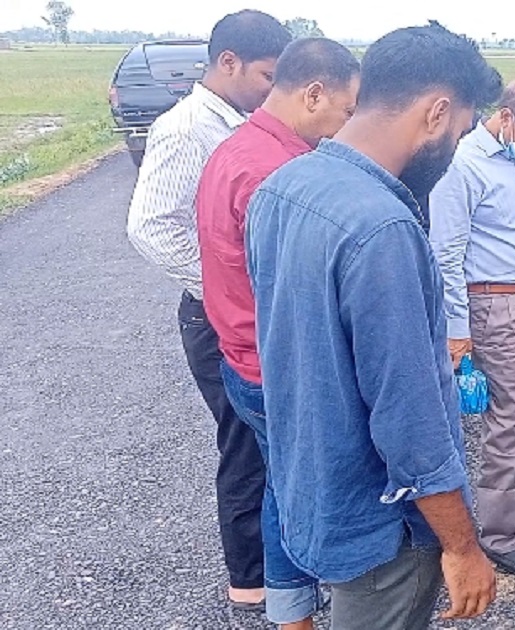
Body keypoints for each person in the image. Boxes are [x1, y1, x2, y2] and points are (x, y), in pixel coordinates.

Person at [243, 24, 503, 629]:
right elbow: (408, 419)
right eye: (462, 130)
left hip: (311, 483)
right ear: (437, 113)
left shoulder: (283, 187)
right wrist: (463, 547)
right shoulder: (382, 229)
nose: (455, 146)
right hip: (381, 523)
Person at [125, 9, 292, 612]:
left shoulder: (238, 120)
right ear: (228, 63)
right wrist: (220, 285)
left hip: (239, 307)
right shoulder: (187, 126)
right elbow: (150, 228)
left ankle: (276, 569)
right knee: (246, 444)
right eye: (267, 75)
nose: (273, 89)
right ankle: (249, 580)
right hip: (215, 314)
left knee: (267, 440)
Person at [195, 37, 361, 629]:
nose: (345, 125)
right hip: (277, 366)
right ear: (314, 92)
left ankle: (289, 609)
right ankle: (307, 607)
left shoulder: (235, 148)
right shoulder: (281, 172)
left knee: (278, 484)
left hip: (240, 355)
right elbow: (303, 295)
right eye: (345, 110)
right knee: (305, 492)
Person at [428, 78, 515, 579]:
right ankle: (498, 534)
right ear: (507, 116)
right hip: (497, 307)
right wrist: (458, 330)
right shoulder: (462, 166)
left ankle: (514, 500)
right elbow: (446, 254)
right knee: (509, 418)